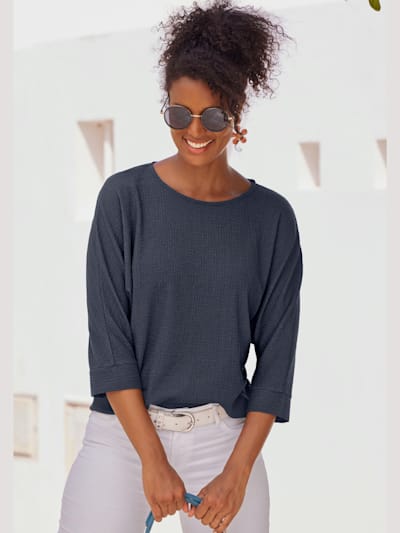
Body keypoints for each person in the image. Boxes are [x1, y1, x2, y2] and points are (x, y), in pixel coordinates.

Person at [56, 1, 303, 532]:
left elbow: (276, 364)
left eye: (212, 116)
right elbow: (111, 347)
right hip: (122, 436)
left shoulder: (272, 219)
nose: (195, 130)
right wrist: (152, 459)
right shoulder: (123, 199)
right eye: (178, 114)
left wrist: (237, 473)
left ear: (236, 115)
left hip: (225, 442)